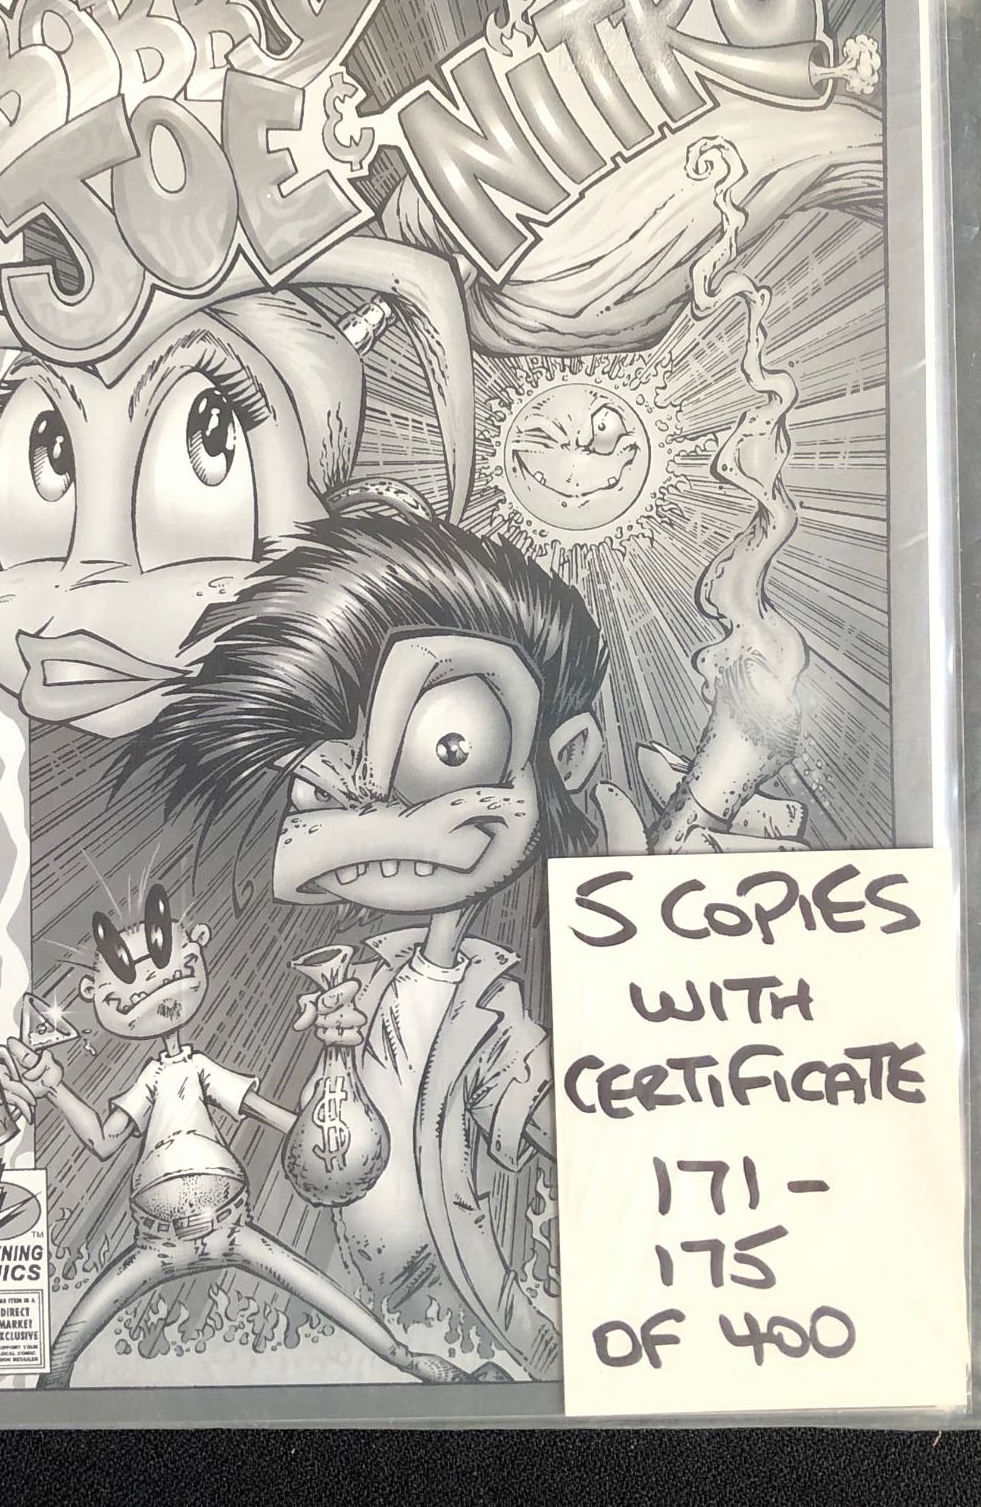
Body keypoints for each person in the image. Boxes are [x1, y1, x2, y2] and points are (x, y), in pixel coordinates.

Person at [126, 512, 610, 1379]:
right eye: (319, 787)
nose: (379, 819)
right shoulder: (357, 978)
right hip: (359, 1298)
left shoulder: (488, 1005)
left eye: (450, 750)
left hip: (465, 1294)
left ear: (565, 759)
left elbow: (549, 1115)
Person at [2, 875, 502, 1387]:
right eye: (130, 977)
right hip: (155, 1245)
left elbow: (275, 1119)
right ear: (93, 994)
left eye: (167, 961)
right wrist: (53, 1087)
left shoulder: (200, 1070)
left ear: (198, 943)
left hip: (232, 1228)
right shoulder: (152, 1079)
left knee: (356, 1320)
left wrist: (329, 1123)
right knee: (59, 1359)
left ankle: (439, 1375)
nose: (153, 985)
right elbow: (103, 1141)